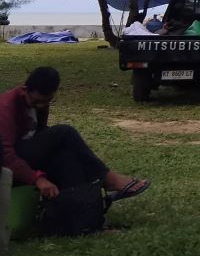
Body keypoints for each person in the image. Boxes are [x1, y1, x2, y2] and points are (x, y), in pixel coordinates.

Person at [0, 67, 150, 203]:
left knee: (66, 158)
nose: (41, 106)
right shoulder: (5, 107)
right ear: (24, 90)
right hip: (8, 162)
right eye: (36, 101)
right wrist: (36, 178)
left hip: (26, 154)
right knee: (64, 132)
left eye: (47, 102)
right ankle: (107, 178)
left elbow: (40, 134)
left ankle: (85, 210)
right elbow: (5, 155)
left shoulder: (41, 104)